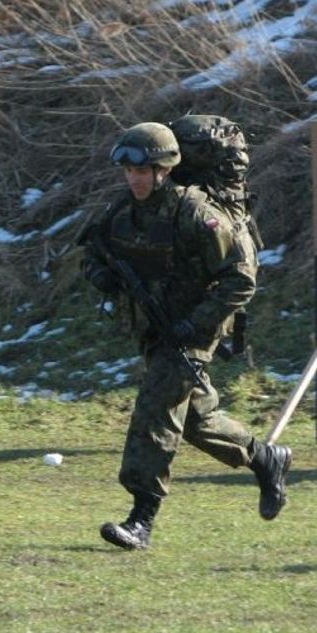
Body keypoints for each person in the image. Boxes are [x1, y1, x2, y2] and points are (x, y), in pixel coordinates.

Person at [80, 124, 291, 550]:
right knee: (194, 419)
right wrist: (101, 275)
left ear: (165, 170)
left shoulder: (197, 214)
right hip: (153, 327)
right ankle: (265, 458)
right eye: (129, 172)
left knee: (156, 408)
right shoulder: (120, 212)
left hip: (192, 330)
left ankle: (141, 519)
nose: (134, 179)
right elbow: (91, 250)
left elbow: (240, 280)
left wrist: (196, 324)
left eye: (144, 172)